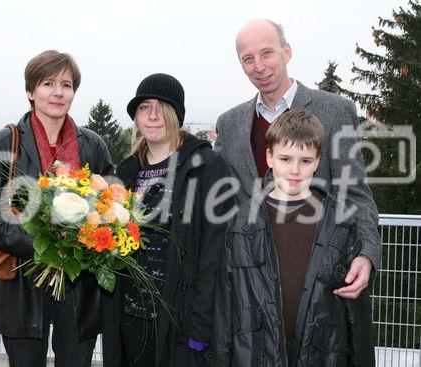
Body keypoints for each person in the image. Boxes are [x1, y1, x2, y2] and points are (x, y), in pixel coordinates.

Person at [214, 19, 381, 299]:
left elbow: (355, 193)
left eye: (266, 53)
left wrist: (366, 253)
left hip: (318, 283)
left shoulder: (335, 111)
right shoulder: (229, 124)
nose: (259, 66)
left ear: (286, 52)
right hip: (252, 287)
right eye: (248, 59)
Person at [0, 50, 113, 367]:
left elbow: (111, 205)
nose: (58, 92)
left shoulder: (92, 144)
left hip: (79, 288)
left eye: (67, 84)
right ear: (30, 92)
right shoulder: (4, 143)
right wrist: (46, 245)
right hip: (20, 286)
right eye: (48, 83)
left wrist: (88, 236)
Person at [213, 109, 375, 366]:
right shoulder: (241, 222)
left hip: (322, 355)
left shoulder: (342, 222)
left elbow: (356, 313)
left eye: (305, 161)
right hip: (255, 354)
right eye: (285, 159)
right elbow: (224, 305)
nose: (294, 170)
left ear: (318, 161)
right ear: (269, 157)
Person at [102, 73, 234, 367]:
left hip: (179, 322)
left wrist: (200, 324)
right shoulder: (125, 173)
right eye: (144, 107)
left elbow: (216, 252)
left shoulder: (208, 168)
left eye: (161, 107)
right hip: (131, 321)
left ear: (177, 115)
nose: (152, 116)